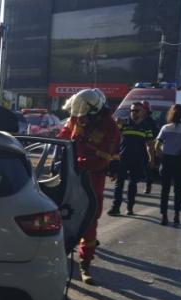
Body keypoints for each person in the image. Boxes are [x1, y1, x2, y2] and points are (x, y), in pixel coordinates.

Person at [56, 88, 120, 285]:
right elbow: (62, 138)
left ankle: (85, 264)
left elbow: (105, 158)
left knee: (89, 219)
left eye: (83, 116)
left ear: (94, 111)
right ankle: (57, 257)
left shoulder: (110, 126)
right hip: (68, 174)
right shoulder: (77, 118)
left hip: (92, 178)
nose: (80, 119)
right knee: (58, 215)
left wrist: (81, 157)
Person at [108, 101, 156, 216]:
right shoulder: (123, 123)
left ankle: (130, 208)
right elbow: (114, 139)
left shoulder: (146, 126)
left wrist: (151, 159)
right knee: (119, 184)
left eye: (136, 111)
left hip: (138, 159)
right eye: (132, 110)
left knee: (132, 184)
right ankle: (115, 207)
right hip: (122, 158)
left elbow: (149, 144)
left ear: (143, 112)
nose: (133, 113)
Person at [155, 104, 181, 227]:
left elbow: (157, 146)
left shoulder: (165, 128)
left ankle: (164, 216)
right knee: (178, 190)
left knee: (165, 190)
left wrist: (162, 155)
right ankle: (177, 215)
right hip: (180, 162)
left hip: (167, 161)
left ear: (170, 114)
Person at [142, 101, 160, 194]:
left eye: (143, 109)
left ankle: (148, 185)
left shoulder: (152, 122)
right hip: (136, 146)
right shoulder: (135, 120)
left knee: (148, 168)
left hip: (148, 147)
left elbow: (155, 135)